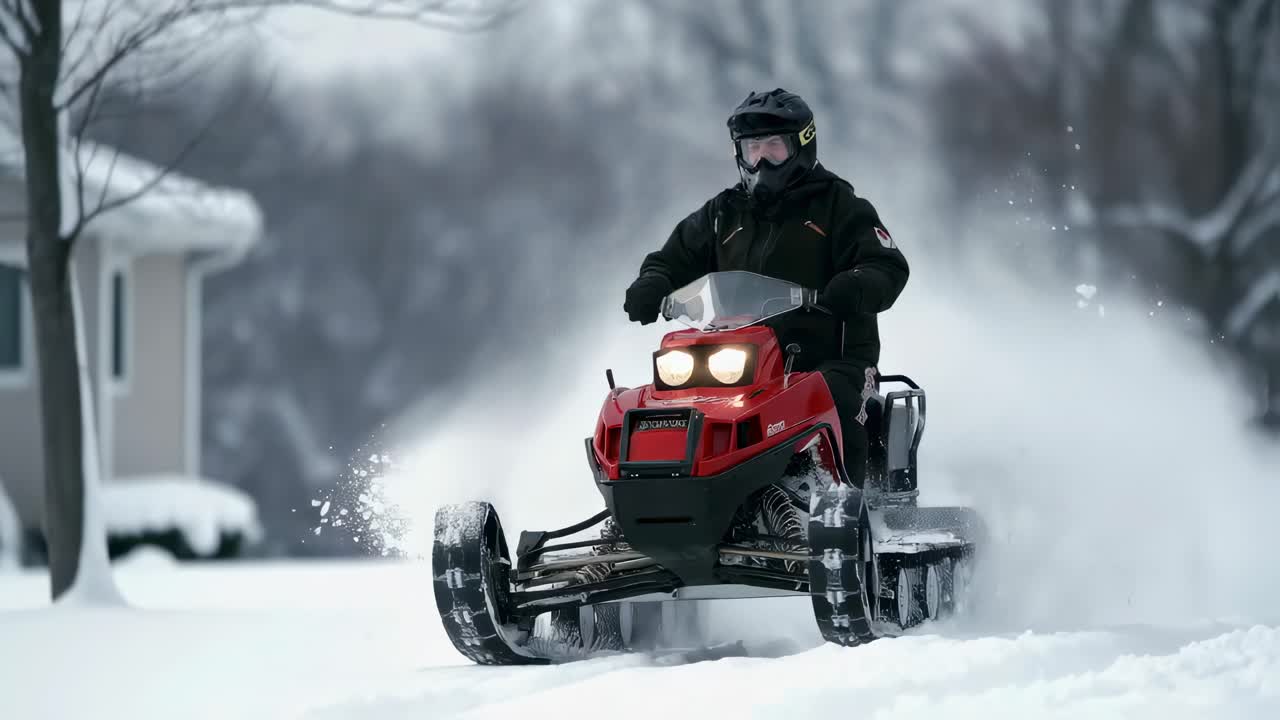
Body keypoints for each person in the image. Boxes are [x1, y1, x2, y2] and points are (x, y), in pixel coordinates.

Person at [622, 88, 909, 487]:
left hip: (830, 360)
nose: (760, 160)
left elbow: (887, 264)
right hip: (741, 361)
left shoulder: (838, 206)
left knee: (832, 396)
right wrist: (653, 283)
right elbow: (671, 258)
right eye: (752, 148)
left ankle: (846, 502)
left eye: (773, 147)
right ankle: (656, 492)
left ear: (801, 146)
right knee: (666, 401)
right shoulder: (724, 213)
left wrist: (854, 286)